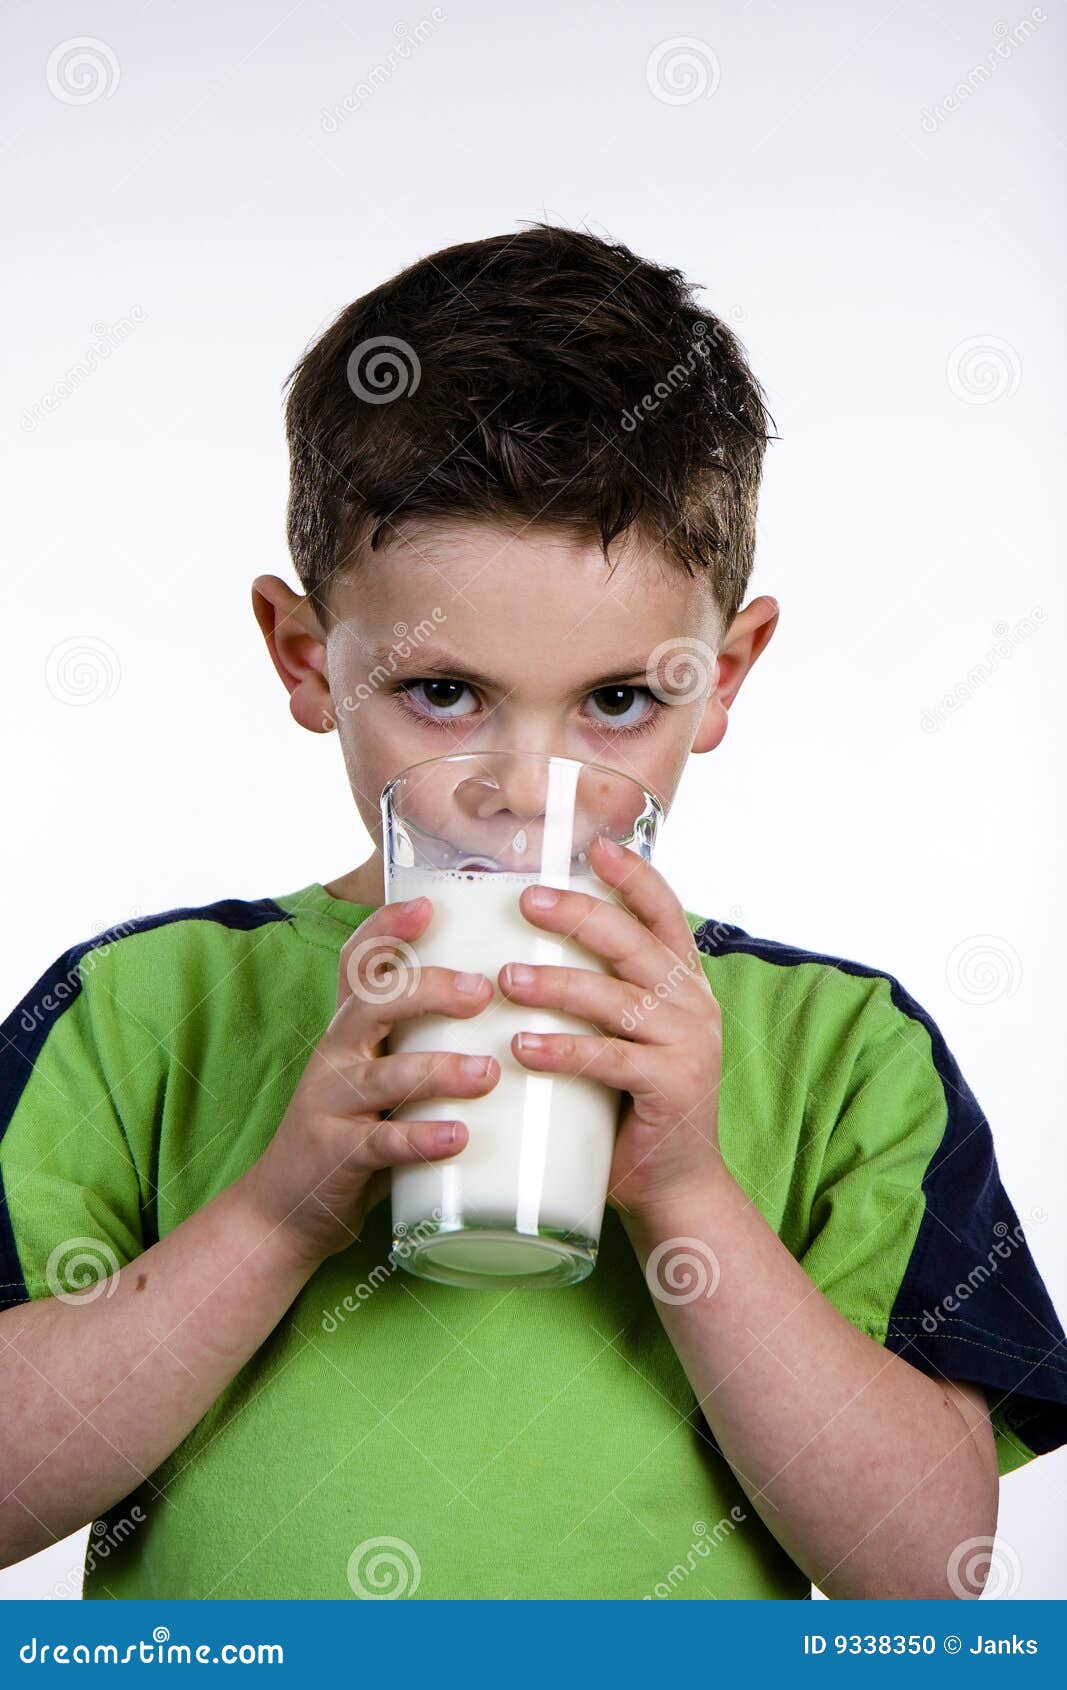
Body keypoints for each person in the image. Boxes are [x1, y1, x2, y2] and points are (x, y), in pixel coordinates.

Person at [2, 225, 1065, 1601]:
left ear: (724, 674)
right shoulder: (140, 1012)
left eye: (618, 701)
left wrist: (685, 1190)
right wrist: (277, 1212)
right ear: (306, 655)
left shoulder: (846, 1048)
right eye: (443, 691)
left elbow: (932, 1571)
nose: (518, 791)